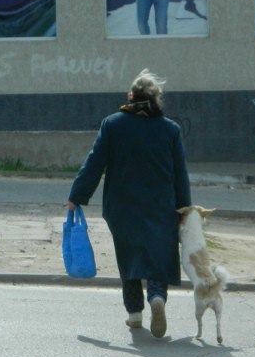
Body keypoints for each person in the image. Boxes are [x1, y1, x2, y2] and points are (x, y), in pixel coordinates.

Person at [67, 69, 191, 338]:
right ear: (157, 99)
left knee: (129, 256)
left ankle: (134, 314)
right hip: (161, 205)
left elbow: (95, 162)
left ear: (130, 96)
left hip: (122, 206)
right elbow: (180, 174)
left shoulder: (113, 124)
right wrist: (184, 208)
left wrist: (78, 196)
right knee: (158, 254)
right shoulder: (170, 129)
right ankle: (157, 296)